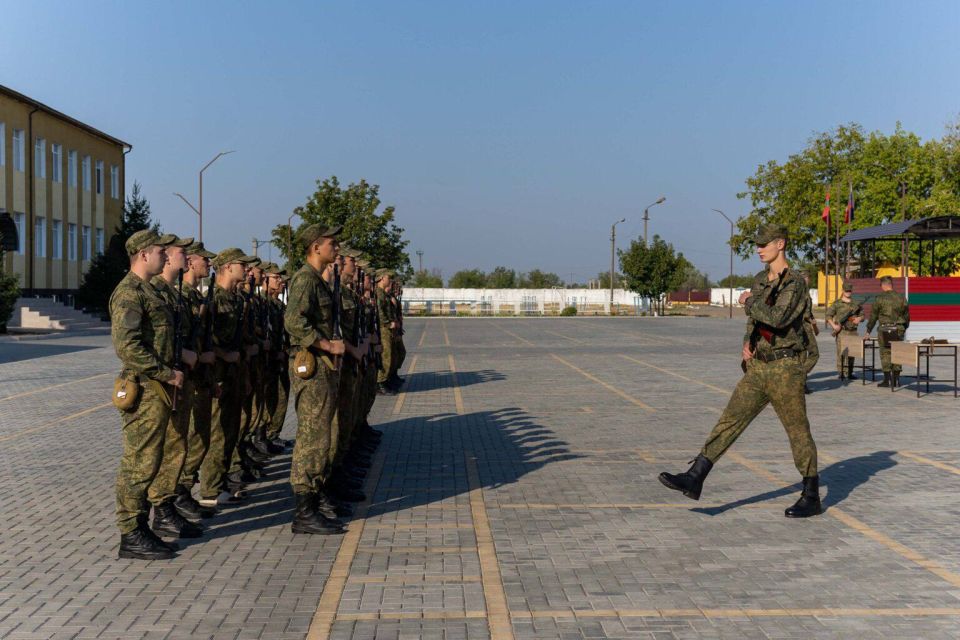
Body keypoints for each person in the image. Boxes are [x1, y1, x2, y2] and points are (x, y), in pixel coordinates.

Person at [658, 223, 822, 518]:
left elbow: (778, 318)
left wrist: (748, 300)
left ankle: (811, 495)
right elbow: (755, 323)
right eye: (757, 244)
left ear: (781, 244)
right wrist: (747, 343)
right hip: (759, 366)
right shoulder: (760, 280)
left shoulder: (795, 283)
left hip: (785, 368)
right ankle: (695, 476)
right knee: (729, 420)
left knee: (798, 432)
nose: (759, 249)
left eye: (764, 244)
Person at [110, 230, 183, 560]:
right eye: (159, 251)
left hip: (157, 388)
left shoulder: (150, 291)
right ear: (142, 255)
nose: (165, 256)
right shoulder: (129, 292)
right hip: (144, 388)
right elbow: (127, 346)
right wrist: (166, 373)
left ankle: (140, 527)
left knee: (150, 460)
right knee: (138, 462)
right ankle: (130, 533)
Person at [284, 224, 347, 535]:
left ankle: (316, 496)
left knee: (322, 436)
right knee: (311, 437)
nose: (337, 248)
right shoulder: (305, 279)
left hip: (325, 368)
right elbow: (293, 322)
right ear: (316, 247)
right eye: (332, 243)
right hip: (313, 367)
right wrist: (326, 345)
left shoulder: (319, 281)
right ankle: (304, 510)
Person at [149, 235, 204, 540]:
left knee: (178, 444)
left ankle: (169, 504)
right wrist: (182, 355)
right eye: (181, 252)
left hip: (182, 378)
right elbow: (154, 341)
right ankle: (163, 509)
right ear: (168, 258)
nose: (187, 257)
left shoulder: (174, 293)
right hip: (165, 381)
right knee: (170, 446)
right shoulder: (156, 291)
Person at [197, 248, 257, 509]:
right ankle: (210, 489)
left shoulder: (236, 299)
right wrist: (224, 355)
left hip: (235, 373)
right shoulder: (214, 300)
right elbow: (205, 340)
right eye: (242, 265)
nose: (246, 269)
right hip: (219, 375)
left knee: (231, 431)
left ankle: (221, 482)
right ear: (229, 267)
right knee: (218, 432)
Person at [176, 240, 218, 520]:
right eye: (205, 259)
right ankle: (180, 492)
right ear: (191, 262)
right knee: (187, 439)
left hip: (200, 376)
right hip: (187, 376)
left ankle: (184, 489)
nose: (209, 264)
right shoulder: (181, 296)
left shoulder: (195, 297)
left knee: (200, 437)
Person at [865, 275, 910, 388]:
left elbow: (873, 316)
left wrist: (868, 330)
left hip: (885, 329)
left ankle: (887, 380)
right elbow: (907, 315)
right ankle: (896, 380)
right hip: (898, 328)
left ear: (883, 285)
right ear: (891, 284)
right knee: (897, 352)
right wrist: (904, 327)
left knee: (885, 353)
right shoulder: (901, 298)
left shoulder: (879, 298)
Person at [827, 282, 863, 382]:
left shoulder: (856, 303)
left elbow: (862, 315)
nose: (848, 292)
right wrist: (834, 326)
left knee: (852, 353)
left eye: (849, 291)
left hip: (853, 331)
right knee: (841, 353)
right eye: (846, 291)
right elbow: (828, 315)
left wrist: (859, 318)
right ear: (843, 291)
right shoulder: (837, 303)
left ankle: (850, 372)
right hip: (842, 331)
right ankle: (841, 372)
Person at [799, 272, 819, 394]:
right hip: (803, 327)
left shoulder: (804, 292)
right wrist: (810, 320)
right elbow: (802, 313)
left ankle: (801, 384)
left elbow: (808, 311)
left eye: (807, 278)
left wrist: (814, 324)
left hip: (804, 326)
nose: (807, 280)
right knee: (814, 353)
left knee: (802, 355)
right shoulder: (801, 292)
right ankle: (799, 377)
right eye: (805, 278)